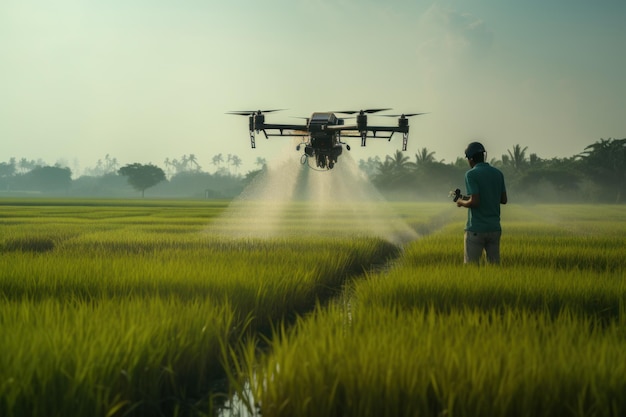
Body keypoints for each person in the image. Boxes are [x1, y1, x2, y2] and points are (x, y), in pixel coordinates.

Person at [455, 141, 507, 264]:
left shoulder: (471, 175)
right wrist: (465, 197)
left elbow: (475, 202)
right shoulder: (498, 173)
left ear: (471, 158)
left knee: (471, 269)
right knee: (494, 268)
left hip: (476, 229)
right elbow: (503, 200)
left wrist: (461, 202)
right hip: (494, 229)